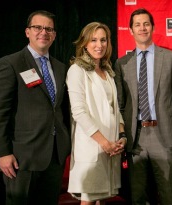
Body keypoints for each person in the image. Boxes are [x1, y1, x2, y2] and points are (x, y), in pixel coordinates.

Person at [0, 10, 71, 204]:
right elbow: (0, 112)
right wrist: (2, 152)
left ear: (54, 35)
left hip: (54, 157)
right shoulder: (11, 63)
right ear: (27, 32)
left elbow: (61, 109)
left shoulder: (61, 67)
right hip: (22, 158)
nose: (43, 32)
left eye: (49, 29)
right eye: (37, 27)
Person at [114, 8, 172, 205]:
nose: (142, 28)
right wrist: (122, 135)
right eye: (137, 25)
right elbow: (120, 105)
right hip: (135, 136)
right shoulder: (122, 63)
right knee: (138, 196)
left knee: (169, 193)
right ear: (130, 30)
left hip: (163, 134)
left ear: (153, 27)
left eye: (146, 24)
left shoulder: (170, 58)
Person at [66, 22, 126, 205]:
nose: (99, 45)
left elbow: (115, 109)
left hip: (110, 147)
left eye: (103, 40)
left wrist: (122, 136)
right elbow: (79, 112)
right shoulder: (77, 70)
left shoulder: (107, 72)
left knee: (100, 199)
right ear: (84, 43)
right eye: (93, 40)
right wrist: (104, 143)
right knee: (89, 199)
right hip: (92, 146)